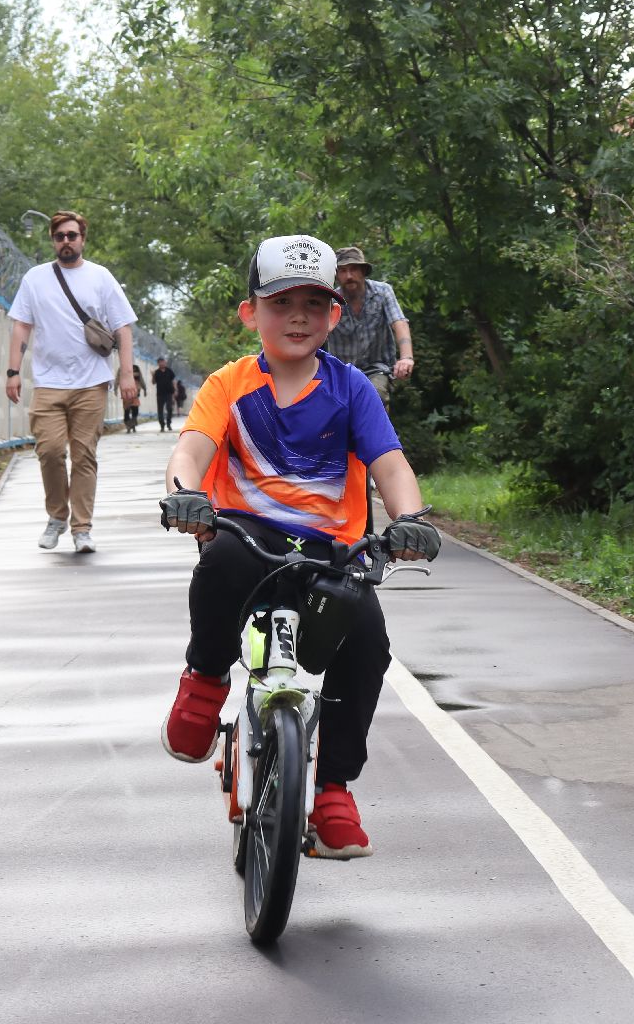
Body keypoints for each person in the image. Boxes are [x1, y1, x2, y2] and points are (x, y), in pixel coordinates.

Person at [157, 234, 441, 859]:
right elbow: (191, 450)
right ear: (250, 312)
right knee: (220, 564)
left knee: (367, 638)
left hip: (329, 548)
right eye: (281, 302)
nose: (298, 317)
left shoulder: (351, 389)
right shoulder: (229, 384)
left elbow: (391, 464)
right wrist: (185, 495)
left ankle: (333, 788)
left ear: (334, 315)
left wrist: (411, 519)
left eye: (314, 304)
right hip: (247, 534)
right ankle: (204, 682)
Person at [6, 210, 138, 553]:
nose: (66, 241)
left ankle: (82, 528)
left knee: (84, 456)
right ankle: (57, 516)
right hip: (48, 382)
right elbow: (21, 325)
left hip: (91, 383)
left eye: (72, 235)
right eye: (60, 236)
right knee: (49, 451)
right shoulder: (35, 279)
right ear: (53, 240)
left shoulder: (100, 277)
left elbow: (123, 327)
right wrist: (13, 371)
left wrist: (126, 374)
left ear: (83, 239)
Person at [323, 245, 415, 405]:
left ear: (363, 271)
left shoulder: (383, 292)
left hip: (377, 368)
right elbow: (316, 334)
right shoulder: (330, 302)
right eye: (343, 271)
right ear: (337, 275)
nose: (349, 276)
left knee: (374, 396)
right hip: (342, 372)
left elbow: (399, 322)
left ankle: (378, 421)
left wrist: (406, 358)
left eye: (353, 269)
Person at [152, 356, 176, 431]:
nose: (162, 363)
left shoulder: (169, 371)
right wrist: (153, 375)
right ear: (158, 363)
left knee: (169, 408)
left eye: (163, 362)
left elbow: (173, 381)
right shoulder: (156, 372)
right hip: (160, 394)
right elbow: (153, 382)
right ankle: (162, 425)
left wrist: (175, 391)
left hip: (169, 393)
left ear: (165, 362)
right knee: (160, 410)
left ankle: (168, 423)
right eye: (160, 362)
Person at [123, 363, 147, 433]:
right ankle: (128, 426)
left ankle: (132, 424)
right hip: (126, 395)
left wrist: (144, 389)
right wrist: (115, 387)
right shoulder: (123, 369)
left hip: (135, 394)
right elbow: (119, 378)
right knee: (126, 411)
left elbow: (141, 379)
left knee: (135, 411)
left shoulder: (136, 369)